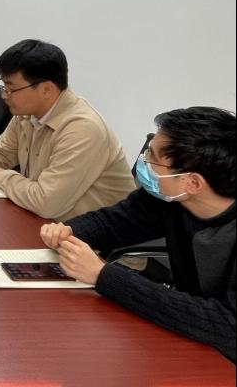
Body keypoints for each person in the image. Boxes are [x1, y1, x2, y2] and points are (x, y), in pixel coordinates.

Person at [40, 107, 236, 362]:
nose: (143, 160)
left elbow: (227, 326)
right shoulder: (169, 199)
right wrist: (68, 231)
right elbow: (113, 223)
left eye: (153, 158)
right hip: (188, 337)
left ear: (193, 183)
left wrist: (104, 276)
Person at [0, 39, 135, 221]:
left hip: (96, 241)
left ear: (46, 89)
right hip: (51, 225)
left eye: (11, 89)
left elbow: (46, 202)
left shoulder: (83, 129)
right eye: (4, 87)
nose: (4, 95)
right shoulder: (26, 114)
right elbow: (1, 152)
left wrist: (2, 177)